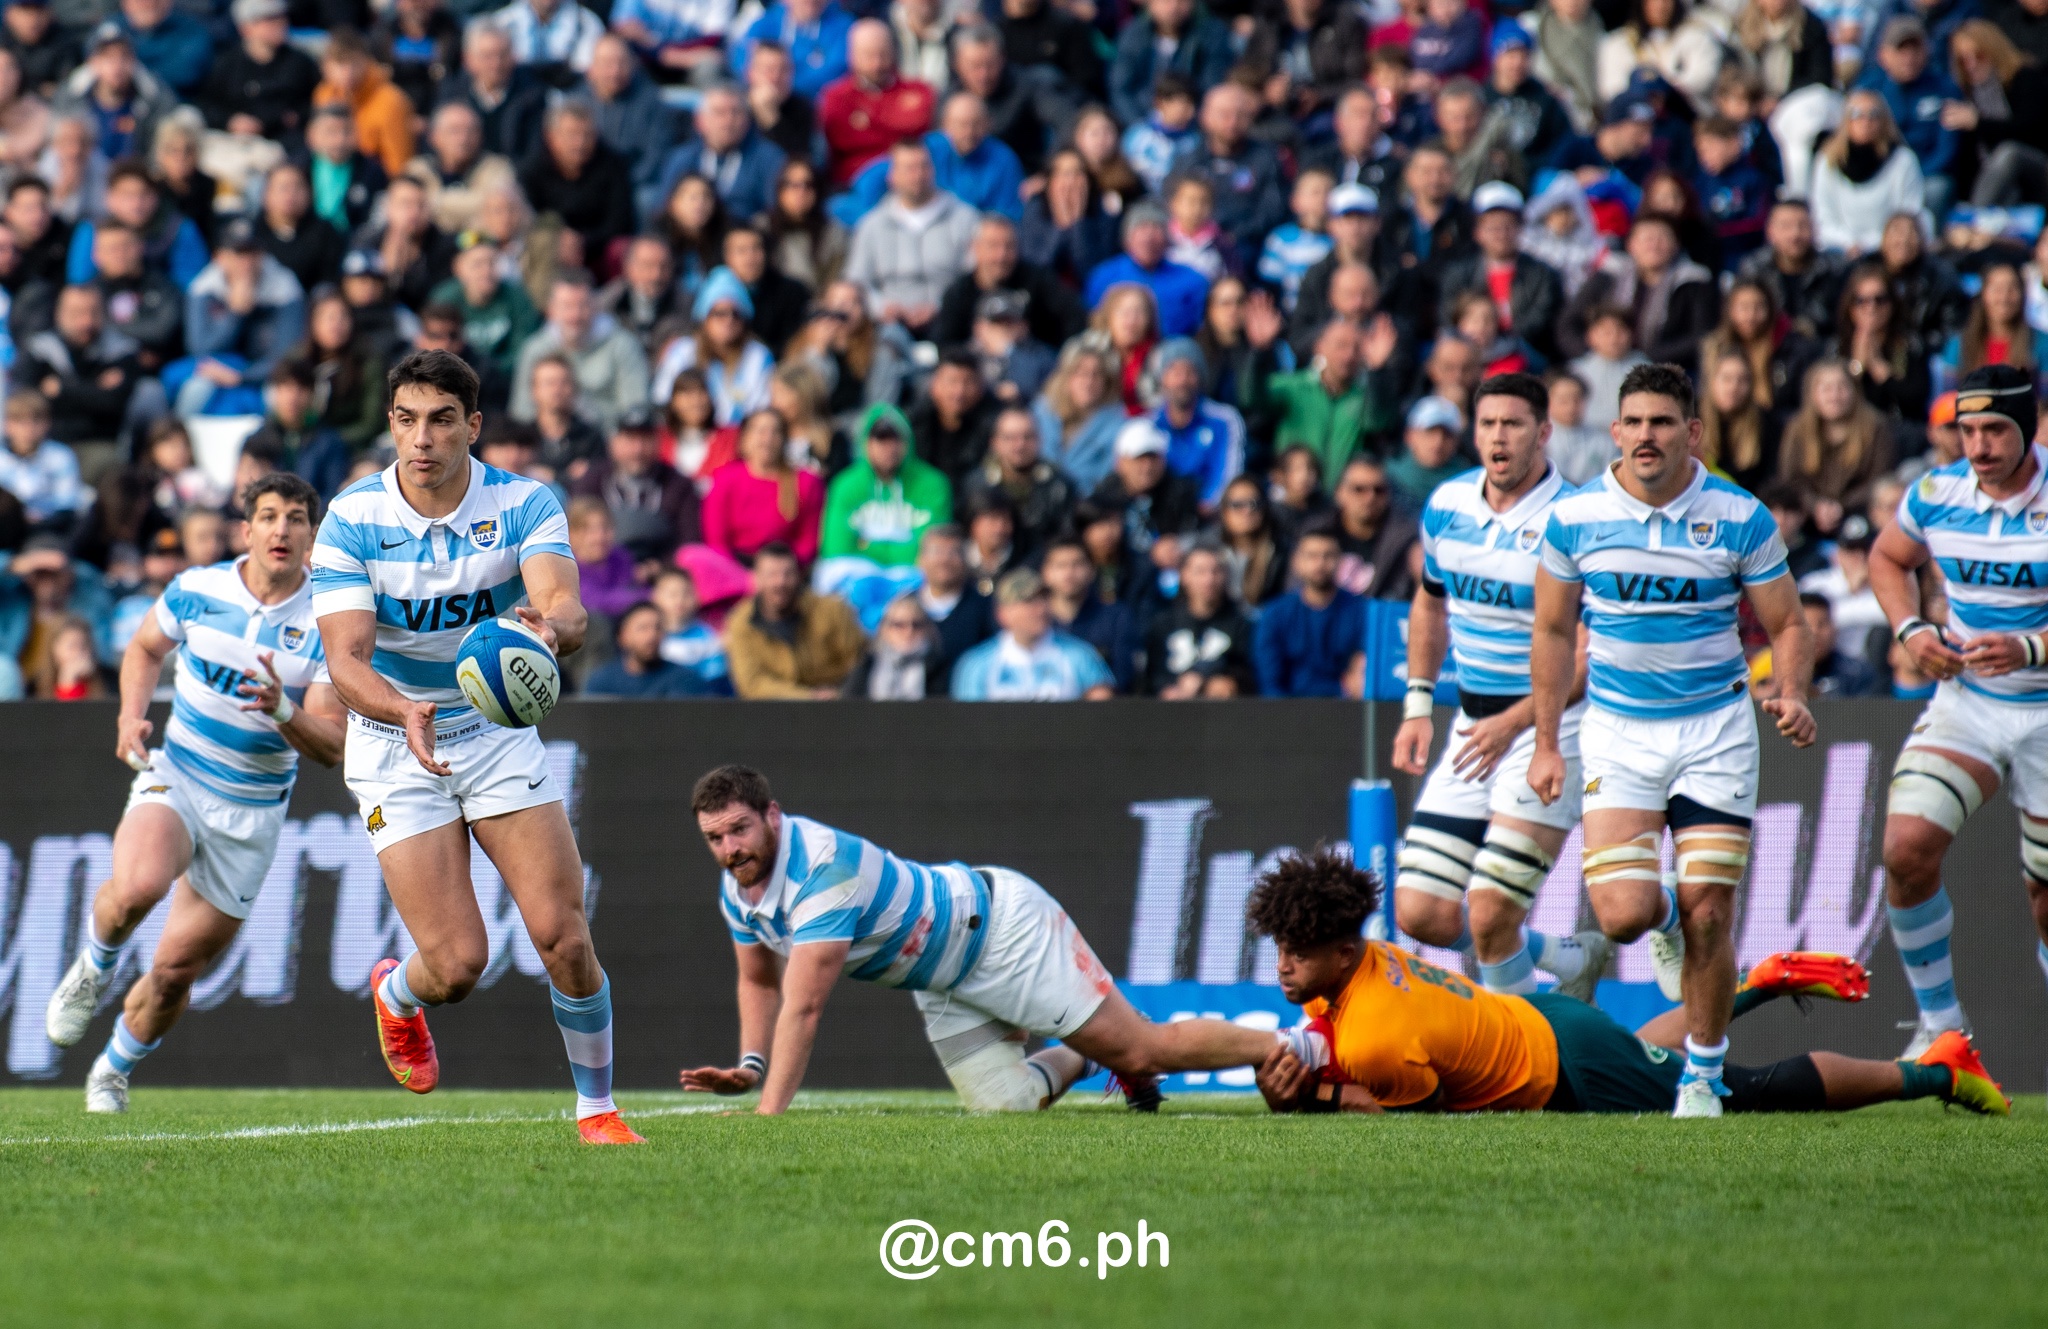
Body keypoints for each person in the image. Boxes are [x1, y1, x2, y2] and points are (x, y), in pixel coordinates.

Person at [306, 349, 643, 1144]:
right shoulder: (353, 517)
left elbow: (567, 604)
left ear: (473, 425)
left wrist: (547, 628)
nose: (422, 438)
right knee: (457, 964)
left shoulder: (523, 501)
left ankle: (597, 1109)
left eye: (441, 419)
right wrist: (404, 708)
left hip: (494, 729)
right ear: (391, 423)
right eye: (406, 419)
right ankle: (398, 996)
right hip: (394, 738)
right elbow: (345, 661)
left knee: (562, 934)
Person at [681, 763, 1305, 1113]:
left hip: (1001, 933)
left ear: (773, 815)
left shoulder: (822, 871)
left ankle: (1296, 1046)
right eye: (715, 838)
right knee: (1005, 1110)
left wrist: (769, 1119)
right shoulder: (741, 885)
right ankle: (1089, 1052)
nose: (730, 850)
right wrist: (751, 1065)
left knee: (1144, 1052)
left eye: (739, 830)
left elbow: (805, 1005)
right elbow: (757, 977)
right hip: (943, 980)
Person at [1529, 361, 1818, 1118]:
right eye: (1635, 423)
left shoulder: (1739, 515)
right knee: (1624, 913)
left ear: (1692, 432)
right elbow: (1555, 630)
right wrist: (1546, 741)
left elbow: (1788, 623)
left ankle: (1703, 1075)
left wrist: (1790, 692)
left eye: (1664, 423)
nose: (1647, 437)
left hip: (1715, 732)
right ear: (1615, 430)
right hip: (1619, 733)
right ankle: (1663, 924)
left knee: (1711, 912)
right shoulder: (1575, 517)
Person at [1243, 846, 2009, 1117]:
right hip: (1542, 1022)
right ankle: (1756, 982)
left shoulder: (1375, 1029)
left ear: (1344, 951)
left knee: (1744, 1089)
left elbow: (1415, 1118)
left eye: (1298, 951)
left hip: (1563, 1065)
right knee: (1651, 1055)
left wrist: (1311, 1095)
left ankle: (1934, 1070)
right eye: (1279, 947)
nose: (1283, 964)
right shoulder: (1359, 970)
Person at [42, 474, 346, 1114]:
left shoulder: (327, 620)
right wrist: (129, 716)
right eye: (268, 516)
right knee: (138, 886)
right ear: (247, 531)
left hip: (253, 812)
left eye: (295, 519)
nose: (282, 530)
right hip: (178, 774)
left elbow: (332, 744)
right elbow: (146, 647)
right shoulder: (198, 588)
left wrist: (284, 710)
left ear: (312, 537)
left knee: (178, 971)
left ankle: (111, 1070)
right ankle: (94, 970)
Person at [1387, 372, 1612, 999]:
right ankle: (1566, 960)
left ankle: (1525, 1062)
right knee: (1420, 912)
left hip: (1551, 726)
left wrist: (1516, 725)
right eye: (1487, 425)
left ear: (1544, 433)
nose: (1498, 438)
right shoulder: (1448, 505)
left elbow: (1592, 655)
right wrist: (1417, 705)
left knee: (1489, 914)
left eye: (1512, 424)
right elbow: (1429, 606)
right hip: (1473, 725)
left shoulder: (1577, 520)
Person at [1866, 363, 2048, 1056]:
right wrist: (1911, 630)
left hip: (2045, 705)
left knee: (2047, 899)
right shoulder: (1938, 491)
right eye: (1966, 430)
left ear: (2026, 427)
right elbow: (1888, 558)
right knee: (1905, 850)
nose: (1977, 446)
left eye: (1994, 428)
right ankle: (1941, 1024)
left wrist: (2031, 647)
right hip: (1969, 700)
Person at [842, 137, 980, 337]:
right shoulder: (872, 225)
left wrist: (941, 306)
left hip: (951, 322)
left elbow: (974, 275)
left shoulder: (965, 219)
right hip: (887, 328)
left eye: (923, 166)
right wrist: (881, 307)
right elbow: (857, 281)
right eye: (909, 168)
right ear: (892, 176)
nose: (918, 175)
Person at [510, 271, 651, 431]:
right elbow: (522, 412)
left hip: (608, 441)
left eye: (583, 305)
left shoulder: (623, 345)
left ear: (596, 306)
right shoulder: (535, 350)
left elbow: (635, 409)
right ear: (551, 310)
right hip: (545, 444)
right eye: (567, 306)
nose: (575, 315)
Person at [722, 539, 863, 697]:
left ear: (799, 575)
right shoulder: (741, 622)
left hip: (837, 706)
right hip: (773, 712)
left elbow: (860, 662)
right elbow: (752, 683)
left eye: (787, 573)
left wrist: (841, 695)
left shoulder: (831, 611)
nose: (780, 582)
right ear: (756, 578)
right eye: (771, 574)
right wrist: (809, 697)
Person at [820, 403, 949, 566]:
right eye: (881, 439)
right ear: (865, 443)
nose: (889, 448)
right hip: (860, 573)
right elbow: (836, 549)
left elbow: (935, 551)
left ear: (908, 442)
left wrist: (867, 547)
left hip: (914, 573)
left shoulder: (933, 484)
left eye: (896, 439)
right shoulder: (845, 485)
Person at [818, 19, 933, 189]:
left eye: (883, 54)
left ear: (894, 51)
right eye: (868, 55)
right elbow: (841, 141)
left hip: (911, 183)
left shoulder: (919, 91)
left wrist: (868, 122)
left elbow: (920, 129)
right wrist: (897, 125)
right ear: (852, 55)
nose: (877, 63)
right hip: (853, 188)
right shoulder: (834, 96)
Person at [701, 408, 824, 566]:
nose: (767, 439)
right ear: (744, 438)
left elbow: (808, 542)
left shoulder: (806, 482)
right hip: (735, 565)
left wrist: (782, 568)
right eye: (760, 431)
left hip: (785, 568)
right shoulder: (725, 478)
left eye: (775, 432)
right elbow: (716, 541)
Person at [656, 81, 788, 227]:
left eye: (736, 112)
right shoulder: (682, 158)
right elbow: (666, 210)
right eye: (719, 112)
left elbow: (778, 211)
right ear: (700, 121)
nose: (728, 121)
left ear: (748, 120)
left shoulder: (769, 157)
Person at [1811, 91, 1926, 257]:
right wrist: (1848, 243)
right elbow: (1822, 215)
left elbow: (1909, 211)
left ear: (1884, 120)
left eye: (1874, 114)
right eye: (1857, 114)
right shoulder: (1827, 160)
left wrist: (1875, 243)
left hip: (1889, 249)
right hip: (1839, 248)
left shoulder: (1903, 160)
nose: (1866, 121)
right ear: (1845, 120)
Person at [1255, 524, 1364, 697]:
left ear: (1341, 561)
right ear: (1296, 561)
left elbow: (1363, 672)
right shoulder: (1275, 614)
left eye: (1328, 556)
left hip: (1347, 711)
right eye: (1312, 556)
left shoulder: (1362, 612)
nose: (1320, 564)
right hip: (1288, 712)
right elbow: (1270, 682)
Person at [1141, 543, 1254, 697]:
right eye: (1200, 572)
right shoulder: (1163, 623)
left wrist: (1204, 677)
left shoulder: (1240, 624)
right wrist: (1168, 690)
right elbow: (1152, 675)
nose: (1209, 579)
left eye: (1216, 571)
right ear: (1184, 575)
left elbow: (1245, 672)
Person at [1083, 201, 1208, 339]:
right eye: (1141, 227)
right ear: (1126, 239)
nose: (1149, 237)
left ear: (1168, 239)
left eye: (1156, 228)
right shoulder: (1103, 276)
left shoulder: (1193, 281)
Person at [1108, 0, 1233, 129]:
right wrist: (1140, 126)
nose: (1174, 7)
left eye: (1181, 1)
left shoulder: (1211, 34)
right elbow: (1120, 89)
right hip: (1142, 122)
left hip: (1193, 125)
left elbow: (1212, 88)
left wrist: (1190, 119)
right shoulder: (1132, 35)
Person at [312, 28, 415, 178]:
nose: (348, 72)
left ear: (366, 61)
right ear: (325, 66)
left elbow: (398, 166)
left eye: (354, 63)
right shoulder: (323, 94)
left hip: (374, 182)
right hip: (330, 179)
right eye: (340, 63)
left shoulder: (391, 101)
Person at [583, 599, 718, 696]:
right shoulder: (602, 682)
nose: (652, 635)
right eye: (643, 628)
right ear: (622, 637)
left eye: (658, 628)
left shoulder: (685, 680)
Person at [840, 591, 937, 699]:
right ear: (885, 629)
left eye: (916, 625)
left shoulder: (938, 667)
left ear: (927, 629)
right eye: (899, 625)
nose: (908, 632)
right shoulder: (866, 666)